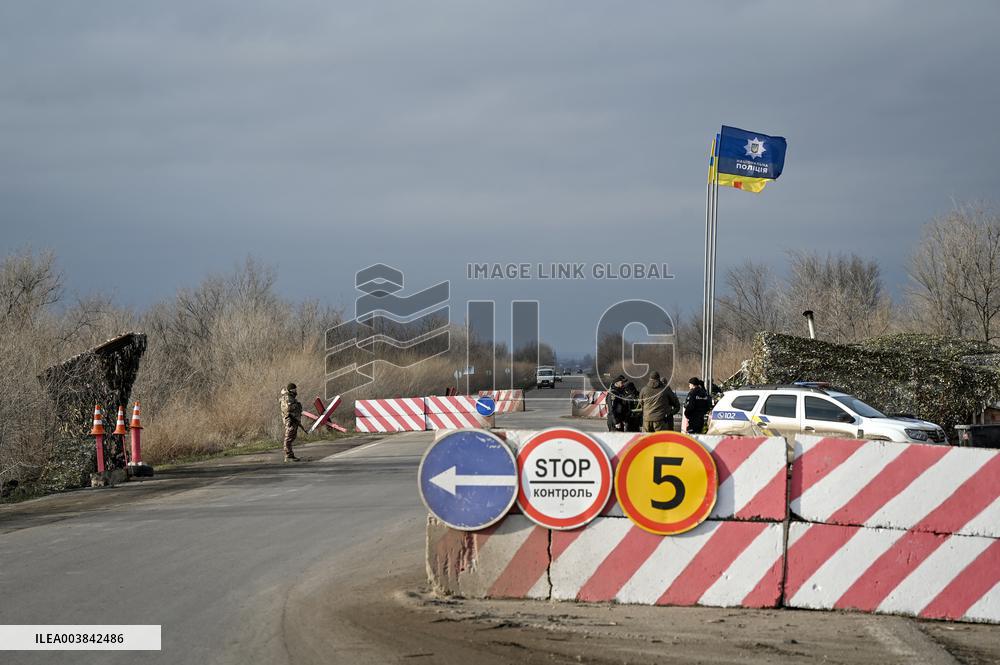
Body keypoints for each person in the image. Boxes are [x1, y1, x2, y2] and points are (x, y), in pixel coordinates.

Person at [278, 383, 303, 462]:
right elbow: (288, 409)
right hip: (290, 420)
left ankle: (290, 455)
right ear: (290, 390)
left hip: (293, 419)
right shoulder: (287, 398)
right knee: (288, 438)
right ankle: (288, 456)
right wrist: (297, 406)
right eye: (294, 390)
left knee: (291, 437)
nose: (295, 391)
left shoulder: (290, 397)